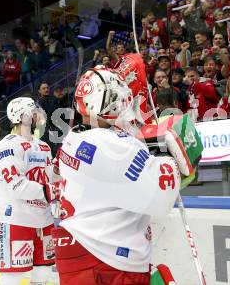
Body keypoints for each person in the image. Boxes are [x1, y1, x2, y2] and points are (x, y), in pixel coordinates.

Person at [51, 68, 197, 284]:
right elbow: (160, 197)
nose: (122, 103)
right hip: (107, 257)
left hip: (80, 248)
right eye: (115, 96)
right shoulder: (112, 146)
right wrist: (171, 160)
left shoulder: (74, 138)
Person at [0, 97, 58, 285]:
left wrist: (58, 170)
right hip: (17, 219)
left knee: (44, 273)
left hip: (43, 220)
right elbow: (16, 183)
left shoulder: (44, 146)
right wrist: (50, 192)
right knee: (12, 276)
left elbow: (50, 179)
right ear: (21, 116)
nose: (39, 113)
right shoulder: (8, 145)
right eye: (33, 110)